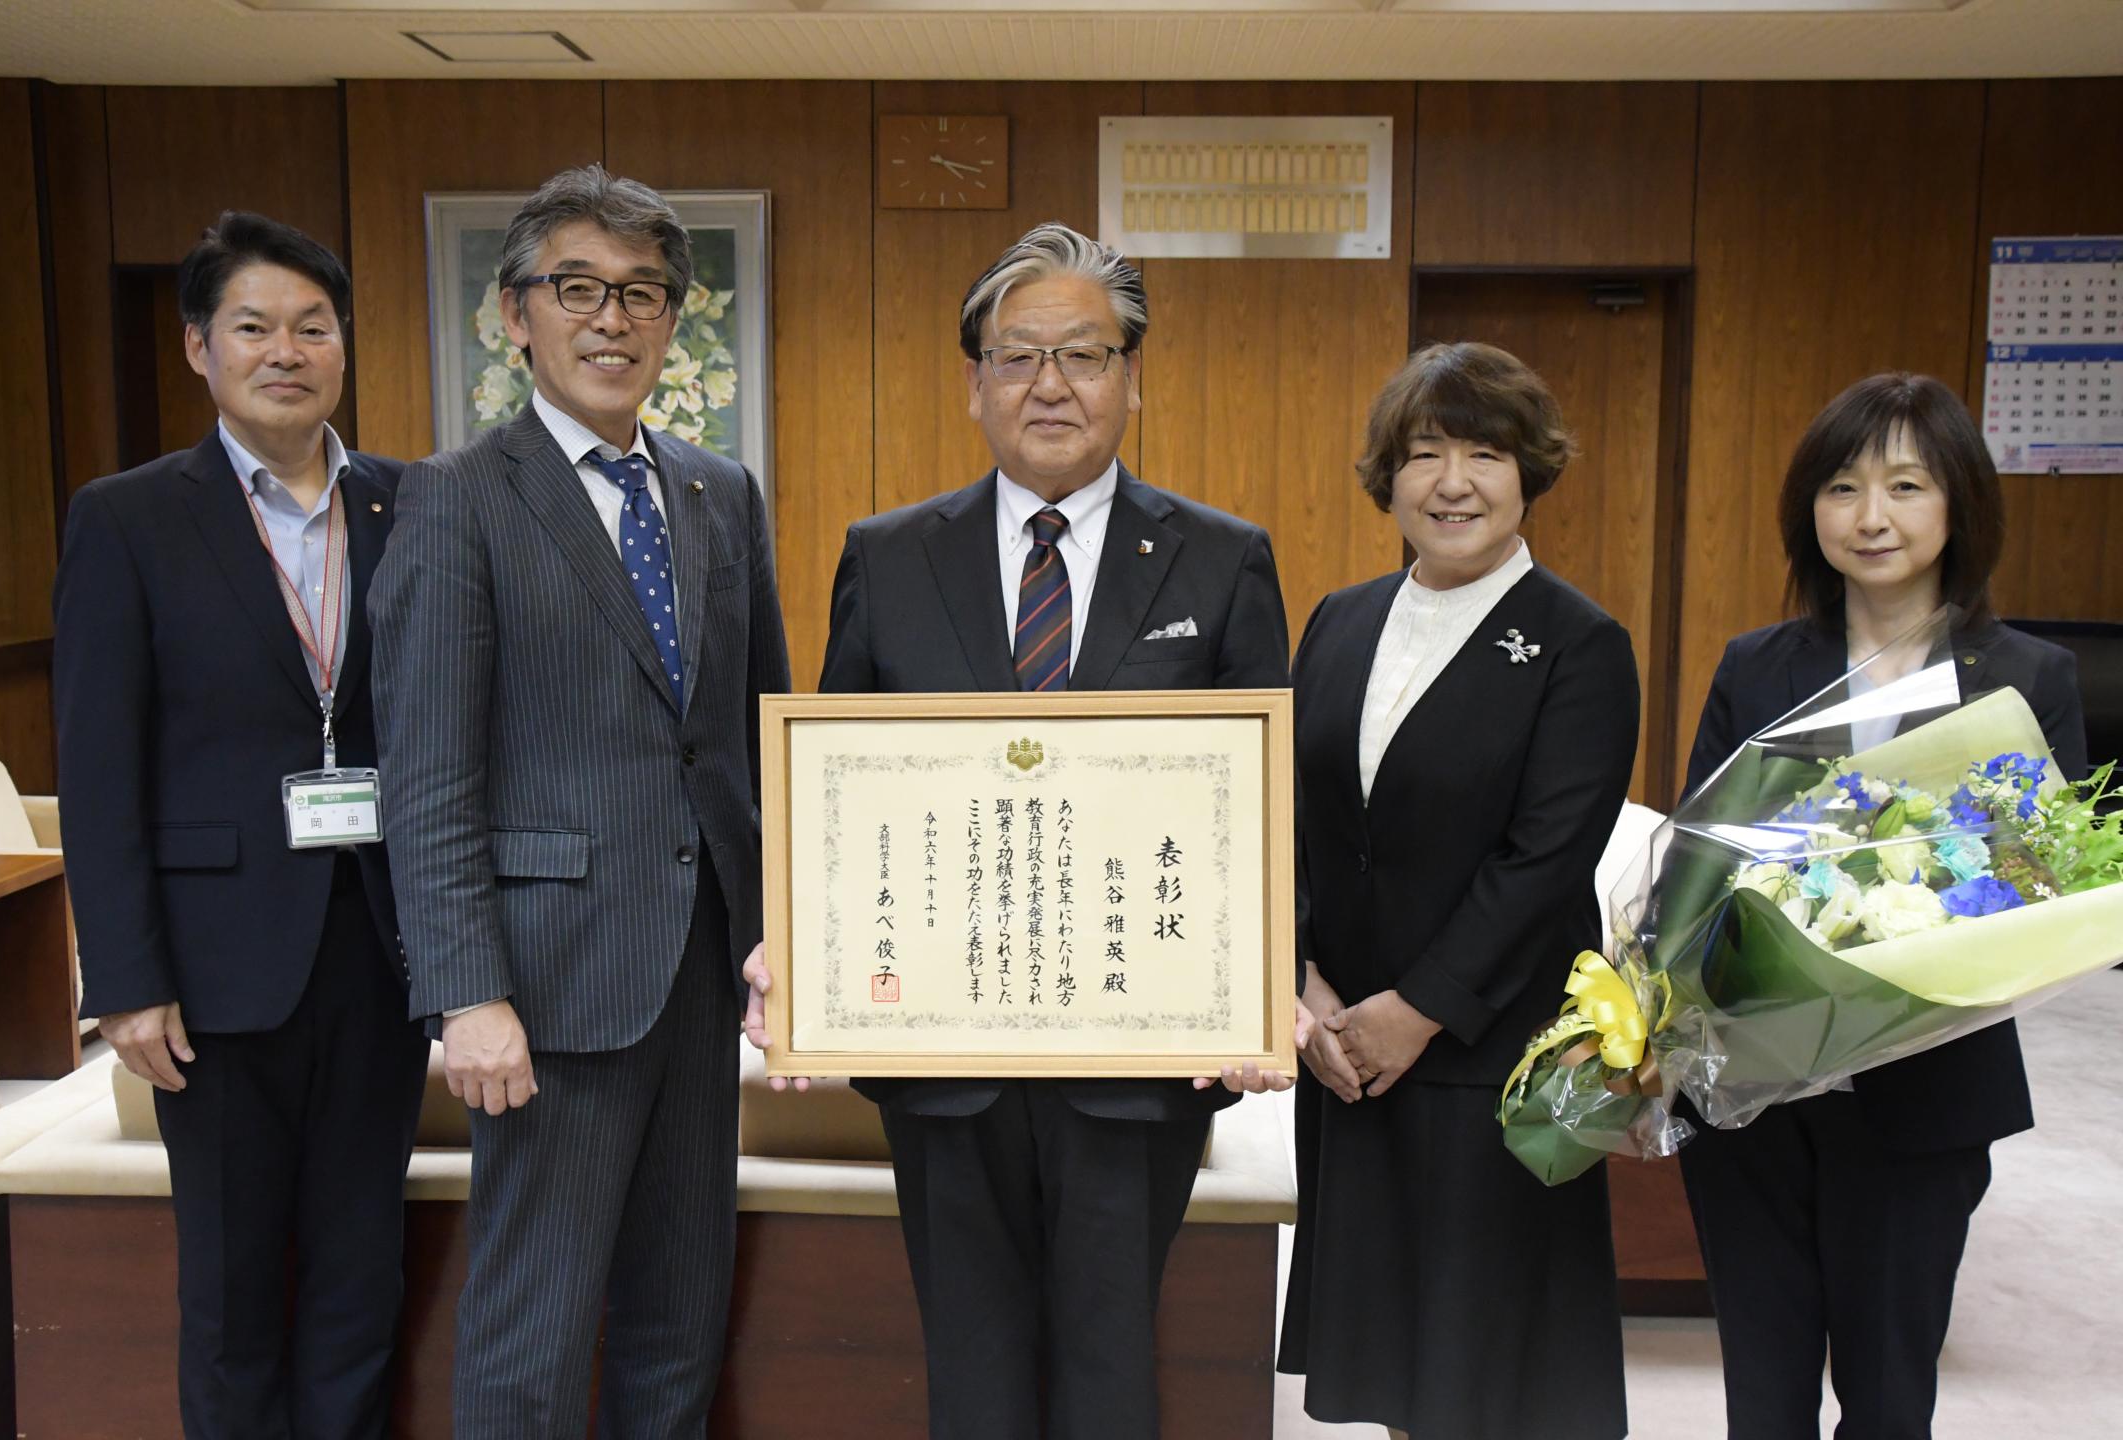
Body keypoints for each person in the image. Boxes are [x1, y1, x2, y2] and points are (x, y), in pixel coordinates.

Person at [818, 220, 1293, 1440]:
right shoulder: (886, 556)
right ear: (974, 380)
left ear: (1136, 376)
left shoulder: (1223, 560)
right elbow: (838, 796)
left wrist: (1261, 987)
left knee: (1108, 1368)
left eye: (1084, 354)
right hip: (942, 1058)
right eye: (1018, 355)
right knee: (969, 1369)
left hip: (1138, 1060)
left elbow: (1262, 805)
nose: (1051, 385)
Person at [369, 164, 790, 1438]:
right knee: (533, 1325)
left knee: (678, 1314)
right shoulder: (458, 498)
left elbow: (753, 740)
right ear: (518, 315)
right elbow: (428, 772)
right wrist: (465, 988)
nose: (612, 319)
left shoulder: (720, 492)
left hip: (701, 970)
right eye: (579, 290)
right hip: (543, 991)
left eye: (643, 295)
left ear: (673, 320)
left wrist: (779, 934)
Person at [53, 212, 428, 1439]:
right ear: (197, 349)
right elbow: (99, 767)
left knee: (361, 1272)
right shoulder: (129, 518)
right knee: (229, 1288)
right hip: (208, 976)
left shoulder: (407, 508)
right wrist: (125, 975)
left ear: (343, 345)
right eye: (254, 326)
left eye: (313, 326)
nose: (288, 349)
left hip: (377, 952)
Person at [1680, 371, 2086, 1439]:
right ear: (1808, 510)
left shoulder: (2022, 677)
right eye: (1843, 486)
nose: (1870, 517)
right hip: (1758, 1097)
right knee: (1761, 1397)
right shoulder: (1760, 667)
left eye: (1905, 486)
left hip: (1925, 1095)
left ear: (1960, 504)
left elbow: (2048, 883)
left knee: (1890, 1394)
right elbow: (1697, 868)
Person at [1278, 341, 1637, 1440]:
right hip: (1346, 1055)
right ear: (1387, 476)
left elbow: (1544, 861)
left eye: (1485, 453)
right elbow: (1292, 816)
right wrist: (1304, 984)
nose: (1452, 481)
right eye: (1424, 452)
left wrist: (1414, 1010)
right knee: (1396, 1370)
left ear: (1530, 474)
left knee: (1489, 1378)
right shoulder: (1341, 617)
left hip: (1492, 1056)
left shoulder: (1580, 643)